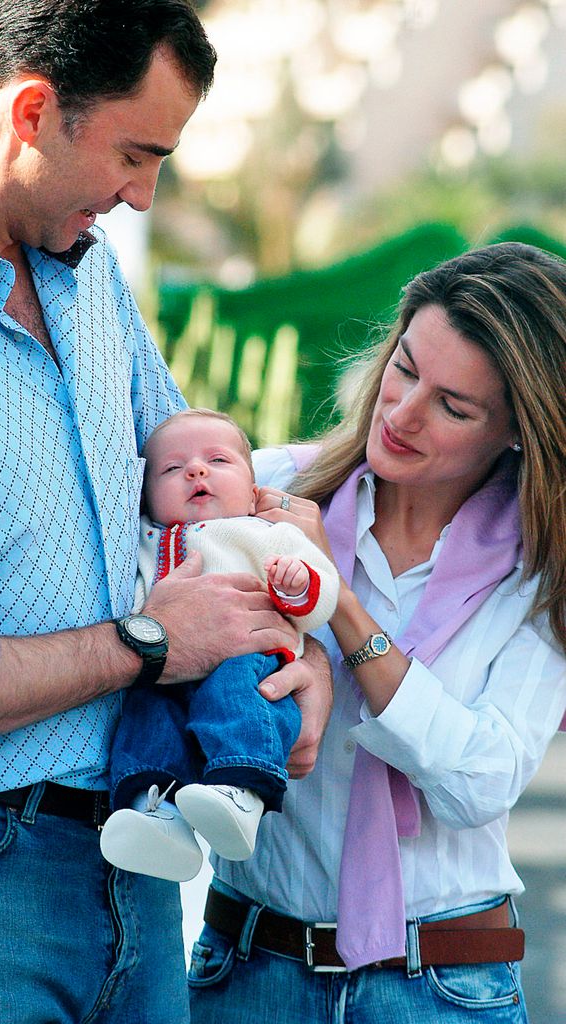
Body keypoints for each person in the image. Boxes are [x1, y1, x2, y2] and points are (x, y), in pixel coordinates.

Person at [0, 3, 333, 1023]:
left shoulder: (87, 279)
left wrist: (282, 627)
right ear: (34, 110)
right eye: (136, 155)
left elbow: (196, 466)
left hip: (136, 871)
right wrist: (145, 643)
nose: (142, 196)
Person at [188, 241, 566, 1024]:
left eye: (453, 407)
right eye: (405, 367)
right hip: (248, 974)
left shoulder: (544, 573)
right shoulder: (268, 490)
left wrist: (340, 610)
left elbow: (480, 782)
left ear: (517, 433)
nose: (401, 413)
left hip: (443, 988)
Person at [99, 409, 339, 880]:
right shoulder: (145, 541)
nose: (196, 471)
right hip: (164, 665)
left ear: (253, 495)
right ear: (146, 495)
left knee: (236, 697)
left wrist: (295, 585)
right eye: (172, 469)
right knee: (148, 714)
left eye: (218, 460)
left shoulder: (267, 534)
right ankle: (157, 814)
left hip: (248, 659)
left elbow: (321, 595)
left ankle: (241, 791)